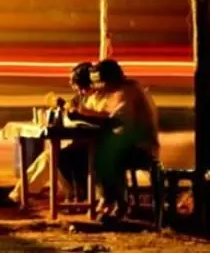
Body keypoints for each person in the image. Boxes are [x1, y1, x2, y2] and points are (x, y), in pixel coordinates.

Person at [72, 59, 159, 222]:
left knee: (101, 156)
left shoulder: (128, 91)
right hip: (122, 143)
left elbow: (116, 121)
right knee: (85, 153)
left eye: (99, 81)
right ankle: (107, 199)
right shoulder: (114, 92)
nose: (97, 86)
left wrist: (83, 116)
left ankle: (115, 202)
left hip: (139, 146)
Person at [9, 62, 104, 203]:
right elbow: (72, 108)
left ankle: (74, 195)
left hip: (96, 147)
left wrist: (78, 115)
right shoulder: (83, 98)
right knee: (50, 156)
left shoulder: (99, 98)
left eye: (82, 88)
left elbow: (97, 121)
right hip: (83, 144)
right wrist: (65, 106)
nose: (80, 92)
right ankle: (21, 194)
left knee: (54, 157)